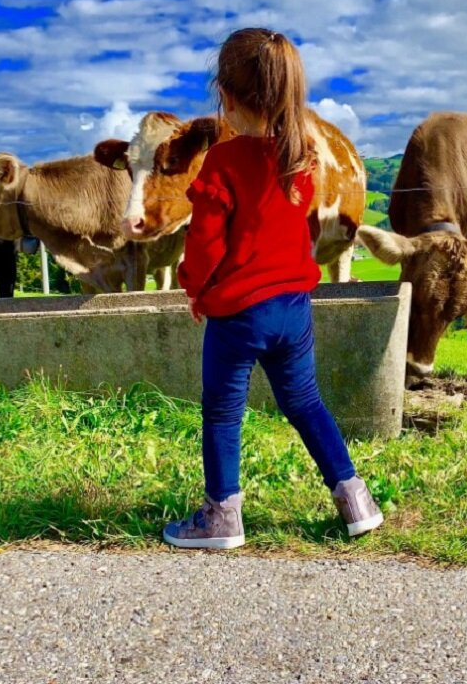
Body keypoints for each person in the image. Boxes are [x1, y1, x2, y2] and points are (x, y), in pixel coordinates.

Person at [164, 27, 383, 549]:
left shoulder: (223, 162)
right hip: (294, 307)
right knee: (306, 401)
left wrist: (194, 287)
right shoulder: (302, 158)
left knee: (222, 411)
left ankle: (222, 516)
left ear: (227, 96)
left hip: (238, 313)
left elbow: (206, 246)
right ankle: (354, 498)